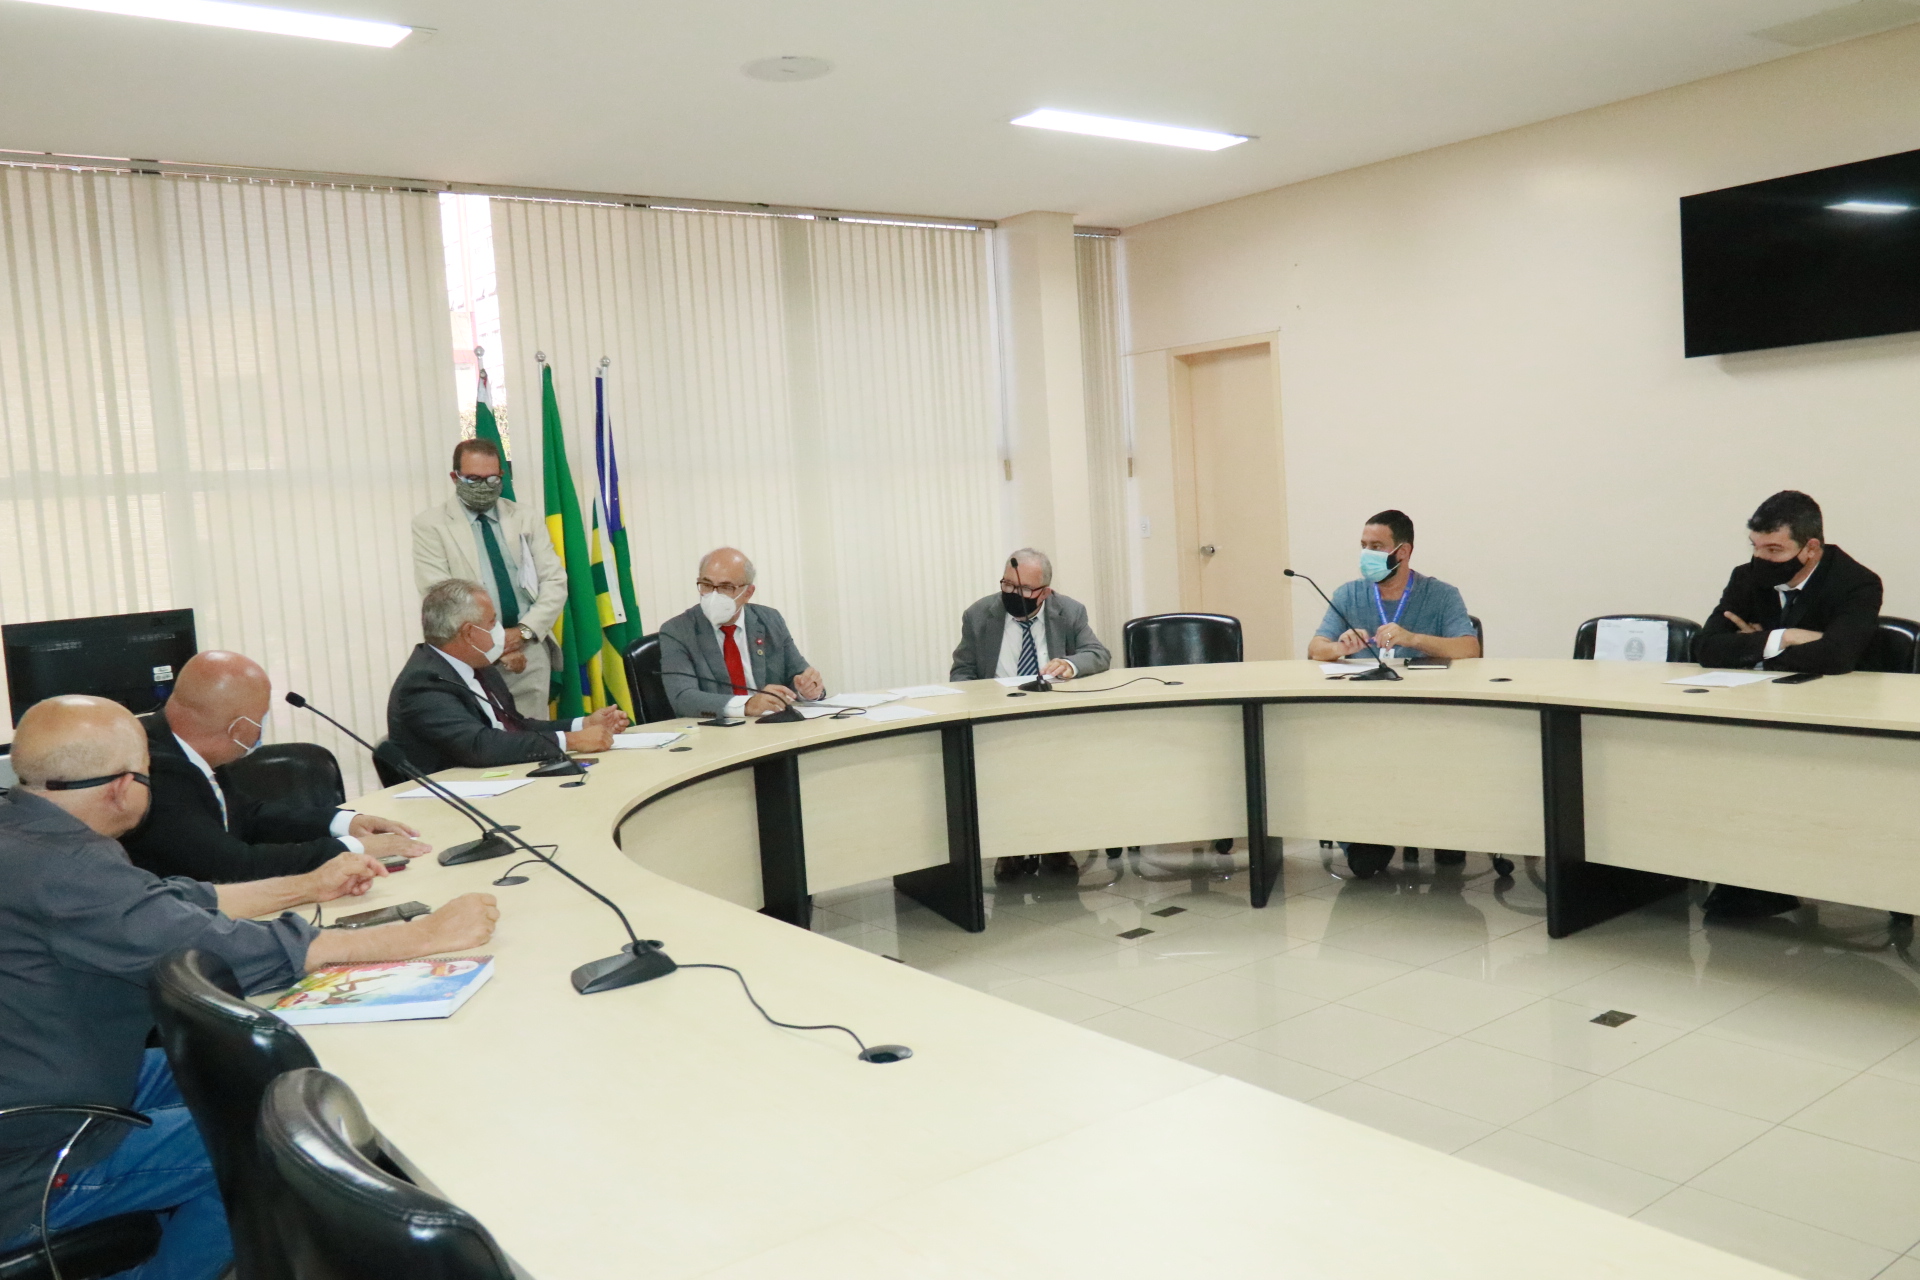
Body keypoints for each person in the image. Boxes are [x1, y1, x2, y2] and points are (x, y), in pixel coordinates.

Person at [0, 695, 498, 1280]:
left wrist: (308, 885)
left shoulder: (29, 833)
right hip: (36, 1158)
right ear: (123, 787)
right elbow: (224, 949)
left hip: (67, 1075)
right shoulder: (64, 869)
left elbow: (169, 900)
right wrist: (421, 937)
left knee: (273, 1068)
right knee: (279, 1145)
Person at [1694, 490, 1883, 919]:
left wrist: (1753, 645)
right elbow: (1705, 647)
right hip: (1757, 709)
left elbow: (1837, 656)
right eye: (1756, 547)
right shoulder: (1746, 577)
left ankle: (1781, 877)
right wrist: (1786, 637)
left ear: (1810, 548)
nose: (1761, 559)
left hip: (1832, 715)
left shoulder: (1856, 582)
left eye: (1774, 550)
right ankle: (1744, 876)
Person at [121, 650, 430, 885]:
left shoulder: (190, 745)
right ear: (238, 728)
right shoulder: (153, 768)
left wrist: (343, 823)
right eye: (262, 716)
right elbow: (234, 865)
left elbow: (249, 817)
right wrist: (352, 848)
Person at [1306, 510, 1480, 880]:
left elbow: (1469, 648)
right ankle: (1365, 837)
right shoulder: (1348, 594)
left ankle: (1441, 826)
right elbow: (1316, 648)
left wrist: (1413, 639)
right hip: (1363, 719)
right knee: (1339, 750)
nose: (1367, 554)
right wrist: (1340, 647)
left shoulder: (1441, 595)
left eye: (1377, 546)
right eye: (1363, 546)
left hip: (1426, 716)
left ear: (1403, 552)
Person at [950, 549, 1112, 881]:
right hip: (997, 717)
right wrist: (976, 700)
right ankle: (1008, 848)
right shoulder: (979, 615)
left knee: (1056, 763)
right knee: (1001, 768)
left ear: (1045, 592)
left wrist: (1069, 664)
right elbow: (962, 672)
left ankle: (1057, 845)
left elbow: (1098, 654)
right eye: (1008, 585)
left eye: (1024, 589)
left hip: (1051, 715)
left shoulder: (1069, 611)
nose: (1013, 593)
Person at [387, 579, 626, 776]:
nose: (500, 630)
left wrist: (583, 724)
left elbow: (516, 726)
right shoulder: (424, 682)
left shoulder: (480, 667)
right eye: (492, 622)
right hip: (450, 802)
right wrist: (572, 740)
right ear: (469, 633)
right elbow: (480, 746)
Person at [412, 438, 568, 721]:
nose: (484, 486)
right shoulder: (431, 525)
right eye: (473, 479)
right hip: (470, 654)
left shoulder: (525, 517)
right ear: (455, 477)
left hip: (528, 647)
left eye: (492, 478)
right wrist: (495, 646)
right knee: (484, 738)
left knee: (536, 737)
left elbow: (554, 582)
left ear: (502, 476)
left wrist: (522, 633)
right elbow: (440, 598)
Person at [658, 548, 825, 720]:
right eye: (706, 585)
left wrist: (808, 690)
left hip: (770, 726)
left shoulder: (770, 620)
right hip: (715, 730)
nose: (714, 595)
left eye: (726, 587)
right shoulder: (678, 630)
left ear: (748, 593)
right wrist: (747, 705)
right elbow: (682, 698)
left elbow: (798, 676)